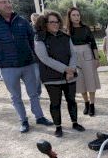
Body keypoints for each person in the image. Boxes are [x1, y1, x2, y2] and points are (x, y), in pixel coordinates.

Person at [0, 0, 52, 133]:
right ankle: (23, 121)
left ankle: (39, 117)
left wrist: (33, 57)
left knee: (34, 93)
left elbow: (31, 40)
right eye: (3, 2)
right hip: (8, 67)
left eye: (9, 1)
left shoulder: (21, 20)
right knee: (15, 96)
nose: (8, 4)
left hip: (28, 64)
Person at [34, 10, 85, 138]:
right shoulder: (40, 39)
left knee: (71, 100)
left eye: (57, 22)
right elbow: (45, 59)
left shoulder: (65, 37)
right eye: (51, 22)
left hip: (70, 77)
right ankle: (58, 127)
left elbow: (73, 54)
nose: (55, 24)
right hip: (51, 78)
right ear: (45, 23)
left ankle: (75, 122)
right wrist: (65, 69)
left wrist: (71, 70)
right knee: (55, 103)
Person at [66, 7, 101, 116]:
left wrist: (97, 59)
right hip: (74, 57)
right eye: (74, 15)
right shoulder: (67, 30)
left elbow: (93, 44)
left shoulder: (86, 28)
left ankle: (92, 105)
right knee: (80, 81)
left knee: (90, 80)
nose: (76, 17)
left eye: (78, 15)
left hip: (88, 56)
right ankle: (86, 103)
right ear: (70, 17)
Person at [30, 13, 43, 96]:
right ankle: (38, 92)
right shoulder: (28, 28)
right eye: (34, 19)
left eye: (36, 19)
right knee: (37, 76)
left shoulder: (43, 27)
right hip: (34, 57)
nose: (35, 20)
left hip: (43, 55)